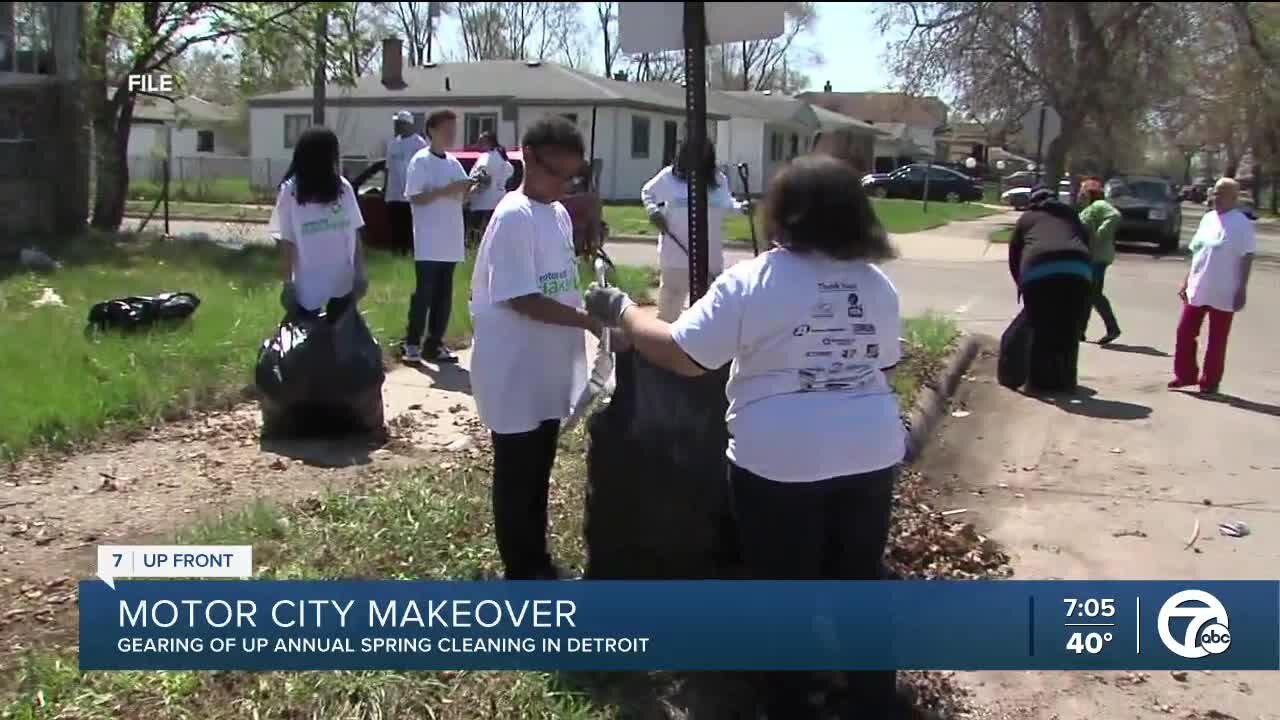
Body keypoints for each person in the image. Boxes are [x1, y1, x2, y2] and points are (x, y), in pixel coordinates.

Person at [585, 155, 909, 719]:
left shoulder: (755, 281)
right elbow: (884, 366)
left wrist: (626, 314)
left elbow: (684, 355)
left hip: (779, 461)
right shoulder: (876, 284)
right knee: (861, 583)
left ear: (784, 215)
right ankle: (873, 701)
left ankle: (791, 704)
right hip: (870, 452)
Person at [469, 116, 602, 581]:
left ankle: (536, 559)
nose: (565, 184)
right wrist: (591, 322)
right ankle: (522, 570)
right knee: (517, 474)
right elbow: (521, 297)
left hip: (547, 368)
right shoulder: (514, 216)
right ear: (527, 157)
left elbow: (559, 286)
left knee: (538, 469)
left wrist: (593, 304)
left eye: (573, 176)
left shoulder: (559, 214)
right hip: (514, 370)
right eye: (557, 173)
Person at [641, 140, 748, 321]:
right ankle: (662, 348)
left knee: (708, 315)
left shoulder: (718, 179)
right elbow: (647, 192)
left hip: (709, 258)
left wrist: (742, 208)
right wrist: (653, 211)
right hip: (676, 257)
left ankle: (700, 349)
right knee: (668, 314)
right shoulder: (669, 177)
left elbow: (727, 204)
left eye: (704, 154)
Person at [270, 126, 368, 315]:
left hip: (343, 286)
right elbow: (286, 241)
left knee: (341, 340)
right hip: (308, 290)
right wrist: (287, 283)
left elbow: (354, 234)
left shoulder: (343, 188)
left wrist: (360, 272)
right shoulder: (291, 192)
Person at [1170, 177, 1255, 394]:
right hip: (1199, 285)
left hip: (1225, 289)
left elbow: (1247, 257)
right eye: (1214, 193)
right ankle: (1185, 375)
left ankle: (1210, 381)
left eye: (1221, 193)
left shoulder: (1242, 223)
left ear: (1234, 198)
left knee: (1217, 339)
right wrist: (1187, 279)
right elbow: (1198, 251)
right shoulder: (1208, 218)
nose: (1215, 197)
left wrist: (1242, 288)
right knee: (1184, 331)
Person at [1006, 187, 1094, 394]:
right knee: (1070, 328)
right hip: (1078, 269)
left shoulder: (1027, 218)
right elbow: (1086, 243)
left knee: (1038, 326)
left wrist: (1021, 284)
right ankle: (1068, 382)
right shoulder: (1071, 215)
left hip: (1039, 269)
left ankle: (1034, 384)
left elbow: (1014, 256)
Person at [403, 109, 473, 365]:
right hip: (428, 241)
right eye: (446, 130)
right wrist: (447, 190)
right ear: (432, 130)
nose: (451, 134)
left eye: (454, 130)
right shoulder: (420, 161)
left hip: (451, 240)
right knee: (424, 293)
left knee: (444, 294)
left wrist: (469, 190)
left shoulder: (454, 163)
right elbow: (415, 197)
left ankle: (434, 344)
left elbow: (462, 198)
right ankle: (411, 343)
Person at [1077, 177, 1122, 344]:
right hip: (1090, 257)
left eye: (1082, 192)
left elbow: (1114, 216)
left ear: (1090, 193)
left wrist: (1099, 234)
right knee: (1087, 294)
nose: (1080, 195)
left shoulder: (1099, 205)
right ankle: (1080, 331)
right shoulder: (1089, 209)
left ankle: (1113, 328)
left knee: (1094, 293)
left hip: (1098, 258)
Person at [384, 110, 427, 255]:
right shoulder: (392, 143)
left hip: (411, 192)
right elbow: (388, 168)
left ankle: (409, 251)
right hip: (394, 192)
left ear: (408, 125)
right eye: (396, 123)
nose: (397, 126)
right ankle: (396, 251)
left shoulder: (419, 143)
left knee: (408, 225)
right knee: (395, 224)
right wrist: (385, 189)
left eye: (400, 123)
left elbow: (423, 168)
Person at [465, 131, 515, 245]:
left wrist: (469, 194)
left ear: (488, 142)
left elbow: (484, 178)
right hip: (499, 202)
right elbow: (509, 174)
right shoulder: (502, 159)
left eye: (481, 141)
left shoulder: (485, 158)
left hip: (482, 204)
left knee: (478, 238)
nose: (478, 143)